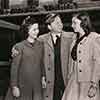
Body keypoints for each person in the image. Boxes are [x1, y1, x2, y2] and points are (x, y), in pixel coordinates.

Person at [62, 12, 100, 100]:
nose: (72, 25)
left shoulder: (94, 38)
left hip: (88, 82)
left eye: (75, 23)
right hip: (73, 81)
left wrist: (94, 85)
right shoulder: (74, 39)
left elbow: (98, 62)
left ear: (83, 22)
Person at [5, 16, 45, 100]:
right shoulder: (19, 47)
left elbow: (41, 63)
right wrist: (14, 86)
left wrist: (43, 77)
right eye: (34, 30)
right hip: (22, 86)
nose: (36, 32)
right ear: (27, 30)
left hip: (36, 86)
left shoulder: (41, 45)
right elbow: (14, 69)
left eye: (37, 29)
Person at [39, 13, 73, 100]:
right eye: (56, 22)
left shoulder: (72, 36)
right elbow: (29, 46)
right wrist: (16, 49)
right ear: (49, 27)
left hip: (67, 79)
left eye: (60, 22)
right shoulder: (41, 39)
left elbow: (86, 36)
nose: (60, 24)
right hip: (51, 80)